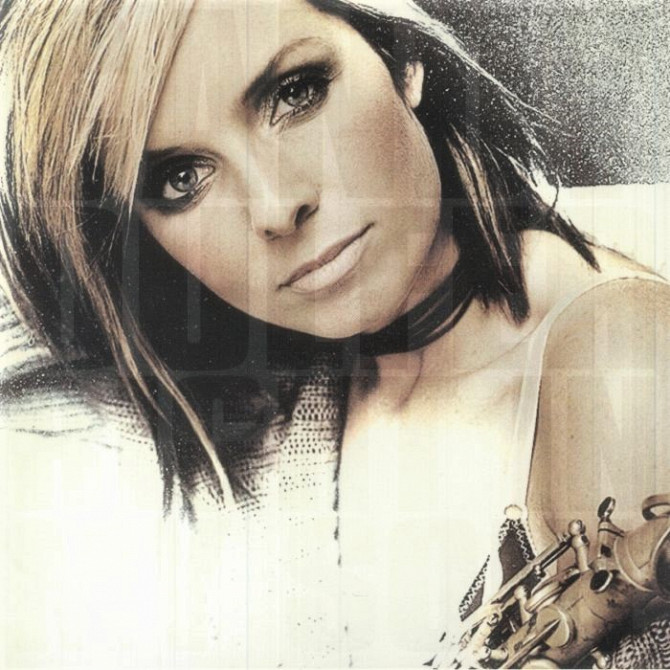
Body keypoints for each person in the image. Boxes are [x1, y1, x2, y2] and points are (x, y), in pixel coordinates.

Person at [0, 0, 668, 667]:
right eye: (182, 178)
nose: (274, 207)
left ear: (402, 56)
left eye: (296, 93)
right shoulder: (254, 388)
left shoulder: (621, 360)